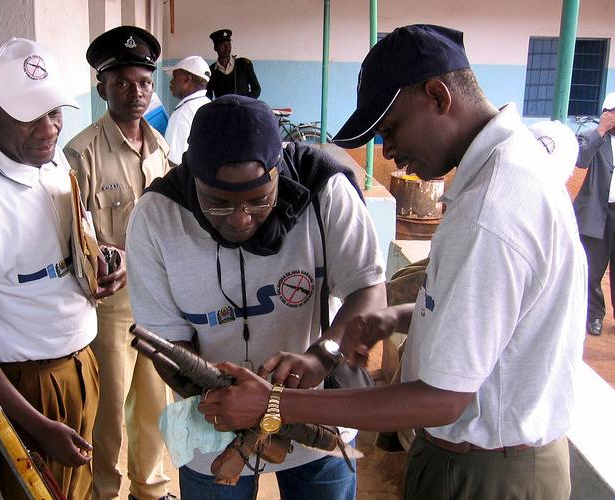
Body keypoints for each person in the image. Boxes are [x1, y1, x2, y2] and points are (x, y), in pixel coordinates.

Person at [199, 25, 587, 500]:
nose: (389, 152)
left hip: (486, 474)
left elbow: (443, 399)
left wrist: (275, 402)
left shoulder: (490, 211)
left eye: (390, 129)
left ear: (438, 96)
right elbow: (507, 321)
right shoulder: (513, 169)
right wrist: (403, 315)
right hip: (495, 460)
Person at [126, 94, 387, 499]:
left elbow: (367, 290)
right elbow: (164, 340)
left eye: (259, 200)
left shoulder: (326, 189)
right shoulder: (157, 216)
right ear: (193, 176)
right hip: (213, 420)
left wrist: (322, 355)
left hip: (317, 412)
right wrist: (223, 396)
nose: (241, 218)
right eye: (218, 203)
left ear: (279, 171)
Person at [0, 38, 109, 499]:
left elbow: (79, 244)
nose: (49, 129)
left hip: (82, 365)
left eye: (54, 112)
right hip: (27, 390)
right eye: (30, 116)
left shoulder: (54, 164)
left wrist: (105, 261)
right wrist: (37, 426)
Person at [63, 26, 173, 500]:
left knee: (154, 405)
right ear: (102, 86)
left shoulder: (162, 148)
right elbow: (76, 237)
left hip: (159, 303)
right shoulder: (82, 153)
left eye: (145, 83)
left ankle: (149, 489)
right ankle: (105, 491)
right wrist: (111, 259)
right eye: (124, 83)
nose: (136, 93)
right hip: (110, 307)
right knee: (108, 412)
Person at [574, 92, 615, 336]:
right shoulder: (594, 137)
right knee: (592, 270)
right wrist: (600, 130)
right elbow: (581, 159)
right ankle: (595, 315)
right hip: (598, 213)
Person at [163, 55, 211, 166]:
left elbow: (174, 163)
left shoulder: (183, 114)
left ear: (187, 79)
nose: (171, 82)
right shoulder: (207, 104)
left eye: (174, 77)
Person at [206, 29, 261, 99]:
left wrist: (246, 103)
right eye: (222, 44)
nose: (226, 47)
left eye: (228, 43)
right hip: (223, 109)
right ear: (215, 48)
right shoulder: (211, 71)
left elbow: (256, 89)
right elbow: (208, 95)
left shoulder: (244, 64)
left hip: (243, 108)